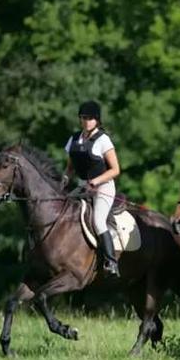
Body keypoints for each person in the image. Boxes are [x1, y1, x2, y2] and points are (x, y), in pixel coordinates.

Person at [64, 101, 121, 278]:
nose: (87, 121)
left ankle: (111, 262)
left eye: (90, 118)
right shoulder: (74, 139)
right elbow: (70, 168)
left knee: (98, 221)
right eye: (83, 118)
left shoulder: (103, 140)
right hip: (82, 187)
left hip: (103, 187)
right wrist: (64, 179)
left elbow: (115, 170)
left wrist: (96, 181)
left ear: (97, 120)